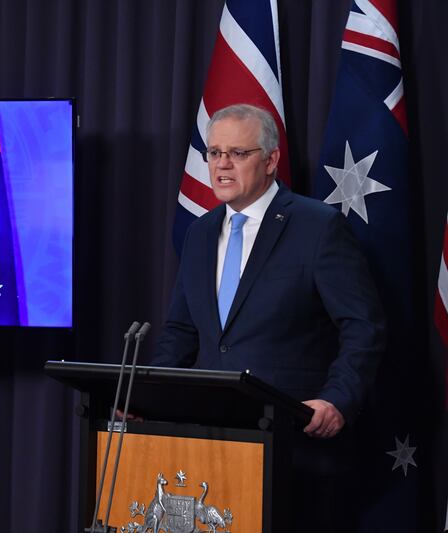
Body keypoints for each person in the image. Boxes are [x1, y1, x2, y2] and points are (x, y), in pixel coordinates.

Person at [152, 104, 384, 532]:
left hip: (294, 448)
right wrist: (144, 395)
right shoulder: (200, 232)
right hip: (211, 443)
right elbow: (182, 332)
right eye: (214, 152)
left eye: (237, 153)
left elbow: (363, 326)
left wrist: (337, 399)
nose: (222, 164)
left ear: (271, 160)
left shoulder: (317, 226)